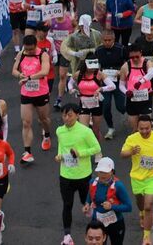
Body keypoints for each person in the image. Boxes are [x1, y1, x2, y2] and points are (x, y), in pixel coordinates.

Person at [120, 114, 153, 244]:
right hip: (137, 177)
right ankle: (141, 213)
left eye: (147, 128)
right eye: (141, 129)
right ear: (137, 128)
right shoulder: (132, 139)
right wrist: (131, 152)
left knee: (148, 206)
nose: (144, 131)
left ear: (151, 126)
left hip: (152, 176)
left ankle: (146, 236)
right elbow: (122, 154)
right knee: (140, 201)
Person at [57, 102, 103, 245]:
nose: (67, 118)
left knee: (86, 202)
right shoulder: (59, 131)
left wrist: (80, 153)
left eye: (70, 115)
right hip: (66, 175)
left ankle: (96, 227)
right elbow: (62, 146)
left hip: (83, 175)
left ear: (77, 115)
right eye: (64, 115)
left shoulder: (85, 131)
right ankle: (67, 236)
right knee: (67, 204)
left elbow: (96, 148)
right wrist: (59, 156)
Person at [11, 34, 53, 163]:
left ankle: (47, 135)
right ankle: (27, 152)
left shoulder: (43, 55)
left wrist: (29, 78)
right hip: (26, 94)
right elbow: (14, 70)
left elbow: (45, 71)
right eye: (26, 49)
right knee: (26, 122)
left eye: (31, 49)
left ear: (36, 45)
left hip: (41, 93)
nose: (28, 51)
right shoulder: (21, 54)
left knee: (43, 119)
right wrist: (20, 75)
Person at [85, 157, 133, 245]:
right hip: (98, 223)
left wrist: (112, 207)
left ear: (112, 171)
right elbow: (90, 194)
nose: (102, 175)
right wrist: (87, 204)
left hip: (115, 224)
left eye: (105, 172)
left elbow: (128, 207)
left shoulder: (118, 186)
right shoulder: (93, 182)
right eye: (100, 172)